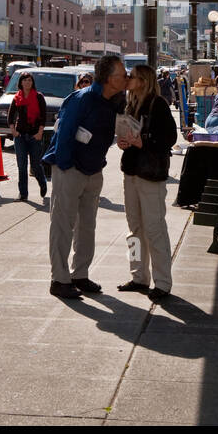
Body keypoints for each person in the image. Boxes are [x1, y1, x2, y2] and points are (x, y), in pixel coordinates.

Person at [41, 54, 127, 299]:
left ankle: (80, 274)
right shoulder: (82, 98)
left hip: (93, 169)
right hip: (70, 169)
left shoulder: (115, 100)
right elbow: (64, 134)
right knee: (63, 225)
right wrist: (67, 167)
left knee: (87, 226)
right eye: (122, 75)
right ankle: (59, 279)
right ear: (110, 79)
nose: (126, 78)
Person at [116, 65, 178, 302]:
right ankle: (138, 276)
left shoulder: (157, 104)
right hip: (131, 171)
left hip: (151, 174)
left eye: (131, 77)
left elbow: (169, 138)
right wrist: (123, 141)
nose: (127, 79)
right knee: (134, 229)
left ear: (142, 80)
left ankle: (162, 282)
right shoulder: (130, 104)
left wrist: (144, 141)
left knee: (154, 229)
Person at [7, 72, 48, 202]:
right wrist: (13, 131)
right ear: (21, 83)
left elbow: (43, 117)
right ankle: (23, 194)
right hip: (20, 136)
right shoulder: (17, 97)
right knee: (22, 166)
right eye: (25, 80)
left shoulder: (38, 97)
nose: (27, 83)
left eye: (29, 80)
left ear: (32, 82)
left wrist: (40, 132)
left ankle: (42, 183)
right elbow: (10, 116)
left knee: (35, 165)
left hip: (34, 135)